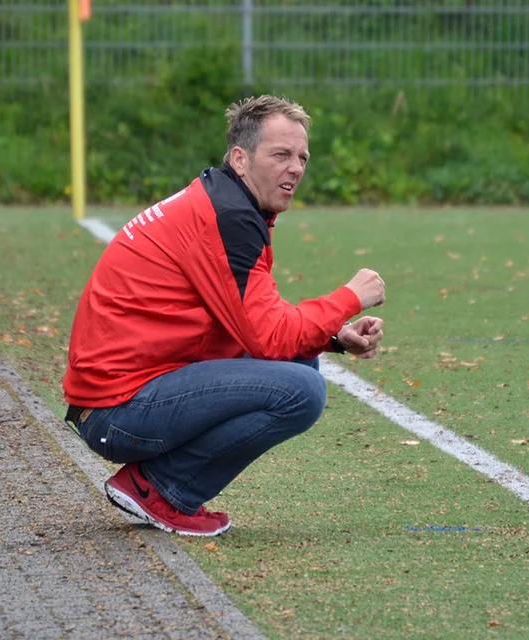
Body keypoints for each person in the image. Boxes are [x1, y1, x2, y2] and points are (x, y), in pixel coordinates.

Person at [62, 95, 386, 537]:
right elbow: (269, 337)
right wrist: (350, 297)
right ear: (240, 157)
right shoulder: (229, 216)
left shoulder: (227, 204)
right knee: (303, 390)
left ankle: (160, 483)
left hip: (119, 397)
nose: (296, 168)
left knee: (299, 362)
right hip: (115, 411)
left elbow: (251, 324)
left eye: (302, 157)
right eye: (281, 155)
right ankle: (160, 488)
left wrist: (333, 335)